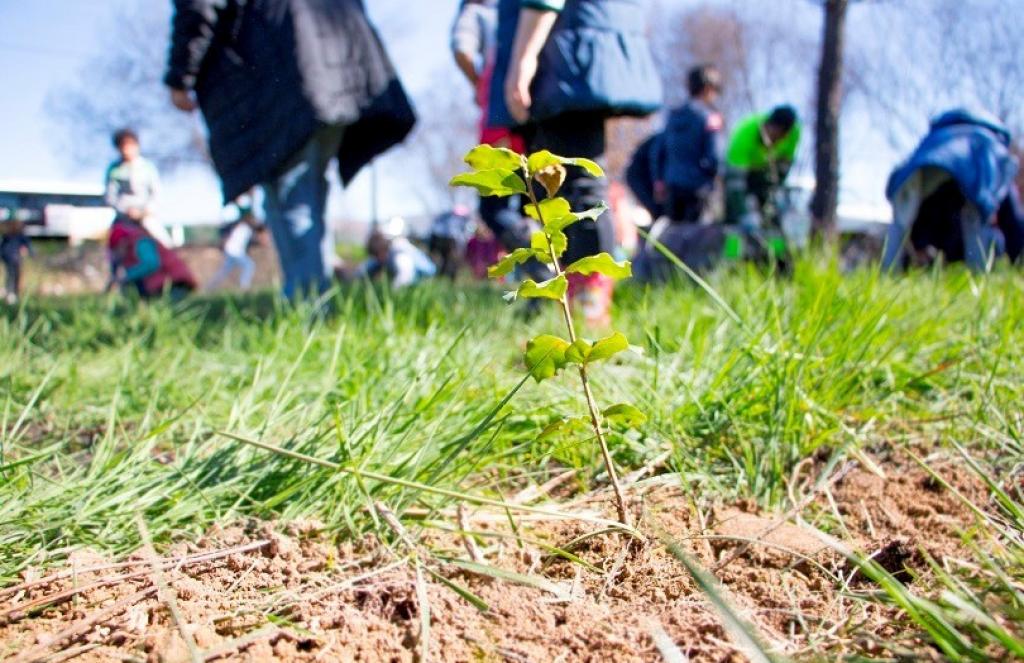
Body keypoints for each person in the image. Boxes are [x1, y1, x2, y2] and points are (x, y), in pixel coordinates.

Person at [165, 0, 415, 301]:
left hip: (283, 67)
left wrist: (180, 76)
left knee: (289, 194)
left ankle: (308, 303)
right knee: (310, 190)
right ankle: (316, 296)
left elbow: (199, 6)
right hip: (335, 63)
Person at [491, 0, 662, 324]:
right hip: (568, 46)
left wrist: (523, 57)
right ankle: (566, 301)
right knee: (550, 188)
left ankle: (590, 305)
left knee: (580, 184)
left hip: (562, 50)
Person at [882, 109, 1024, 272]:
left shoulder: (932, 146)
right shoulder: (989, 149)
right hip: (953, 222)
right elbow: (1014, 224)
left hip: (934, 209)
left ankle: (894, 271)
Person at [655, 65, 725, 224]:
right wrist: (714, 176)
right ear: (708, 89)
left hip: (672, 185)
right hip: (699, 188)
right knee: (698, 239)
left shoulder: (673, 117)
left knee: (675, 235)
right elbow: (714, 156)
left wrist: (659, 180)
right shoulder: (710, 118)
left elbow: (658, 151)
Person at [725, 105, 802, 228]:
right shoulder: (744, 135)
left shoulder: (794, 133)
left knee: (771, 204)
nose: (775, 140)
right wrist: (743, 215)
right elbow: (735, 184)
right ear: (768, 125)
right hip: (743, 172)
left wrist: (776, 190)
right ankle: (733, 229)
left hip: (765, 172)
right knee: (734, 211)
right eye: (774, 133)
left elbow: (784, 167)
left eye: (781, 136)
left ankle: (772, 228)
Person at [104, 129, 174, 247]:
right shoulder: (114, 169)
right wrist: (126, 211)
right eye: (123, 146)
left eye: (130, 145)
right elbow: (110, 197)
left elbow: (156, 193)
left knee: (164, 244)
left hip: (147, 215)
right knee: (115, 245)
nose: (127, 150)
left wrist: (145, 211)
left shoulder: (147, 167)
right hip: (124, 217)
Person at [108, 216, 197, 301]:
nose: (118, 254)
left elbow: (151, 264)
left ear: (122, 242)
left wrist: (127, 276)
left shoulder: (140, 242)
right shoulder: (129, 251)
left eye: (117, 249)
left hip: (175, 284)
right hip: (162, 286)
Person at [359, 218, 437, 289]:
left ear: (383, 250)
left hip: (425, 276)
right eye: (375, 256)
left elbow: (406, 275)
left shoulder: (399, 254)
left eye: (378, 255)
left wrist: (394, 290)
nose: (378, 259)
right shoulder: (382, 254)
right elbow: (368, 266)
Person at [208, 194, 261, 292]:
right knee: (249, 265)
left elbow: (250, 241)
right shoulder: (239, 226)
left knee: (225, 270)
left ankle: (210, 287)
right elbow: (228, 236)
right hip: (233, 251)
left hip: (234, 251)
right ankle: (244, 287)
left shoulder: (248, 228)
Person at [428, 205, 475, 279]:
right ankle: (445, 277)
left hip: (443, 240)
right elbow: (468, 232)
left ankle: (443, 277)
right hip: (451, 241)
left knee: (446, 261)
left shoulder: (446, 217)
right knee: (449, 261)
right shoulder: (458, 219)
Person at [1, 219, 32, 305]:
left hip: (13, 258)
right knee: (12, 275)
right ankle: (11, 293)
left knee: (13, 275)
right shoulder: (9, 236)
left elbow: (27, 246)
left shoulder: (12, 236)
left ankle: (12, 293)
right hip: (12, 258)